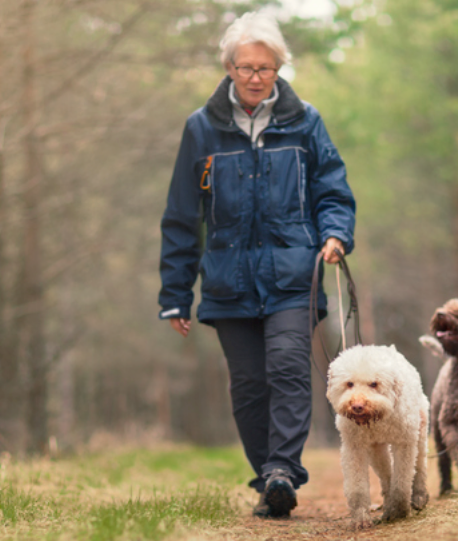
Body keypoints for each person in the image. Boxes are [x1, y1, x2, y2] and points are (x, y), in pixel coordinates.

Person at [158, 10, 355, 518]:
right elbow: (183, 217)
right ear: (228, 68)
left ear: (278, 69)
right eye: (245, 68)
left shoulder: (305, 121)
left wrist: (335, 233)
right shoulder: (200, 130)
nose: (254, 78)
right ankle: (268, 478)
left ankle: (282, 470)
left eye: (265, 68)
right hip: (227, 282)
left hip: (293, 275)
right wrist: (176, 294)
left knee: (288, 368)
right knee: (248, 384)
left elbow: (332, 187)